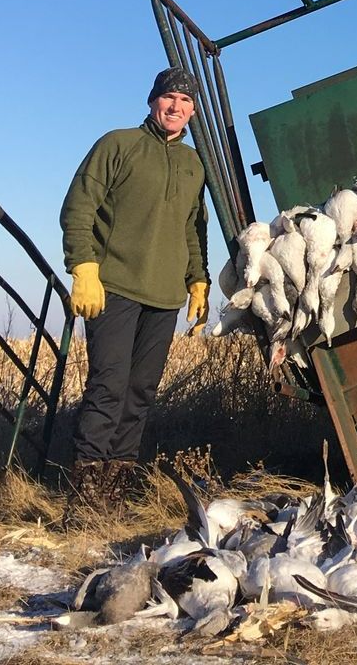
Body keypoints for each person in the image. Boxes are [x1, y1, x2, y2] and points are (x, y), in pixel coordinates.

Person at [58, 66, 210, 526]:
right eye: (169, 97)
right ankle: (84, 500)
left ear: (193, 111)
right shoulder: (118, 144)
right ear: (152, 100)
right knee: (109, 385)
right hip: (114, 288)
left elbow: (193, 229)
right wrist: (84, 267)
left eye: (185, 101)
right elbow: (78, 207)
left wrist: (197, 280)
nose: (176, 107)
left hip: (164, 296)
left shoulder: (194, 164)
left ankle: (114, 495)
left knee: (140, 392)